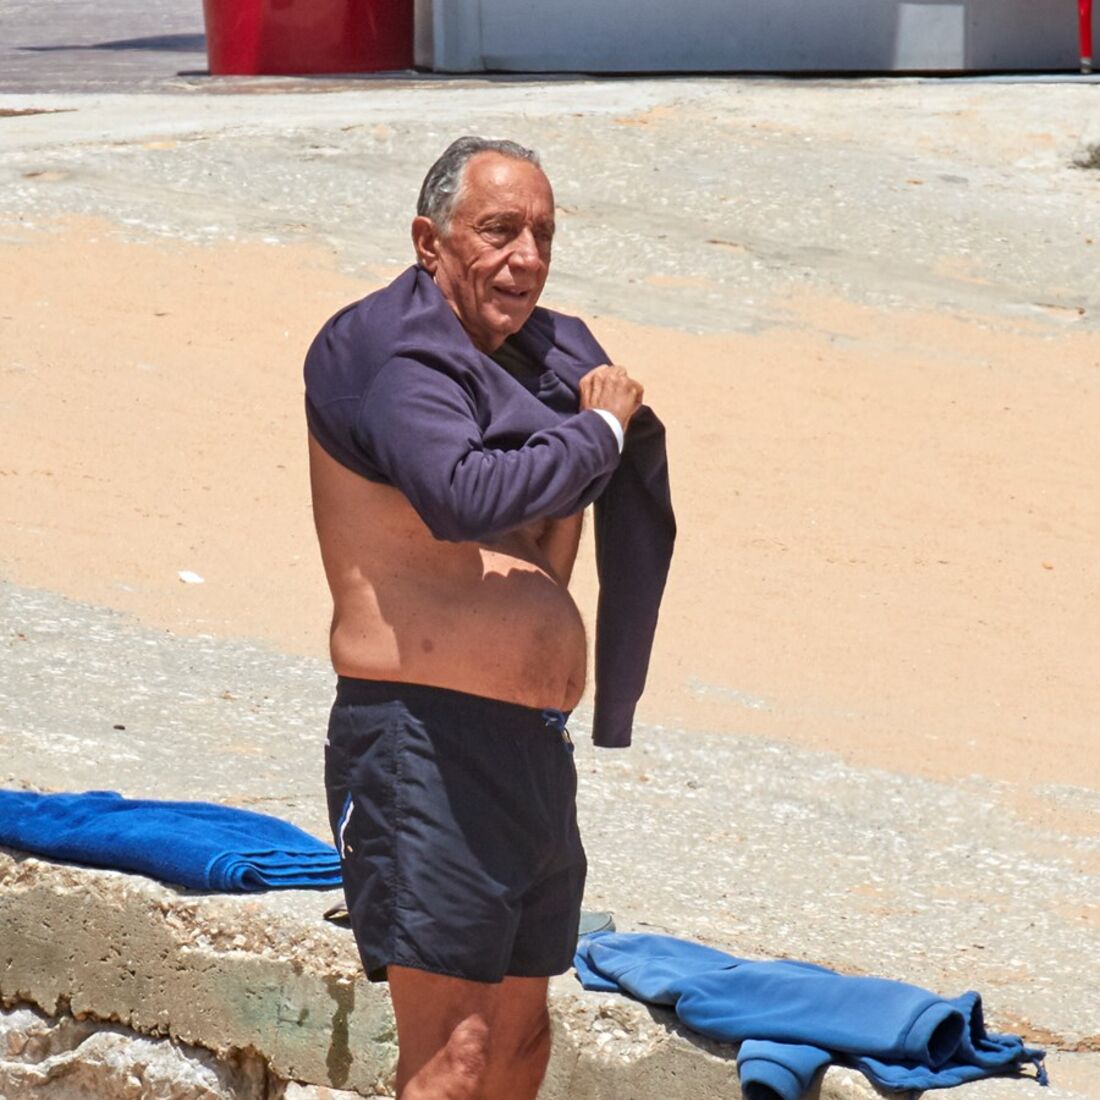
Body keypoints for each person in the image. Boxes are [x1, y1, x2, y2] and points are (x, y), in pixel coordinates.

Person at [304, 136, 674, 1099]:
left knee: (518, 1049)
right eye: (499, 230)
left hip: (526, 748)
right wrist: (596, 431)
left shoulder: (531, 368)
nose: (527, 258)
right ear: (430, 241)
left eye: (543, 235)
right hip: (422, 740)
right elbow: (458, 496)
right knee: (454, 1058)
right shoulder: (386, 351)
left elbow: (536, 549)